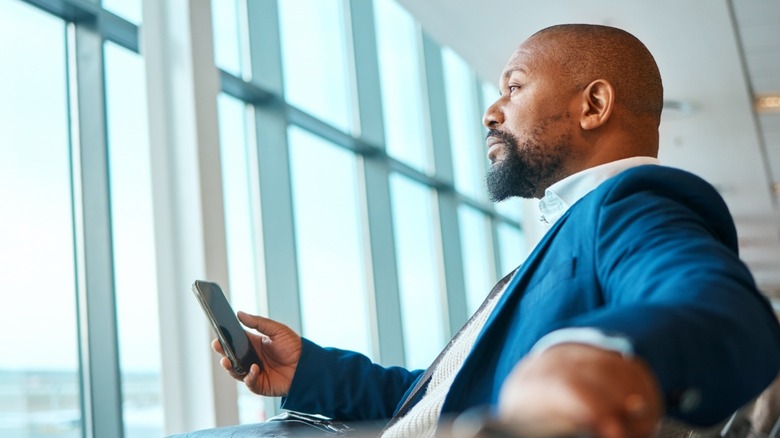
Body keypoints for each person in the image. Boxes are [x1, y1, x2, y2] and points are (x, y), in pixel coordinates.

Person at [183, 24, 780, 438]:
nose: (492, 110)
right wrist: (307, 371)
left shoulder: (630, 204)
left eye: (514, 87)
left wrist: (600, 354)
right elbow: (447, 397)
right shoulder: (568, 232)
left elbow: (722, 308)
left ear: (593, 105)